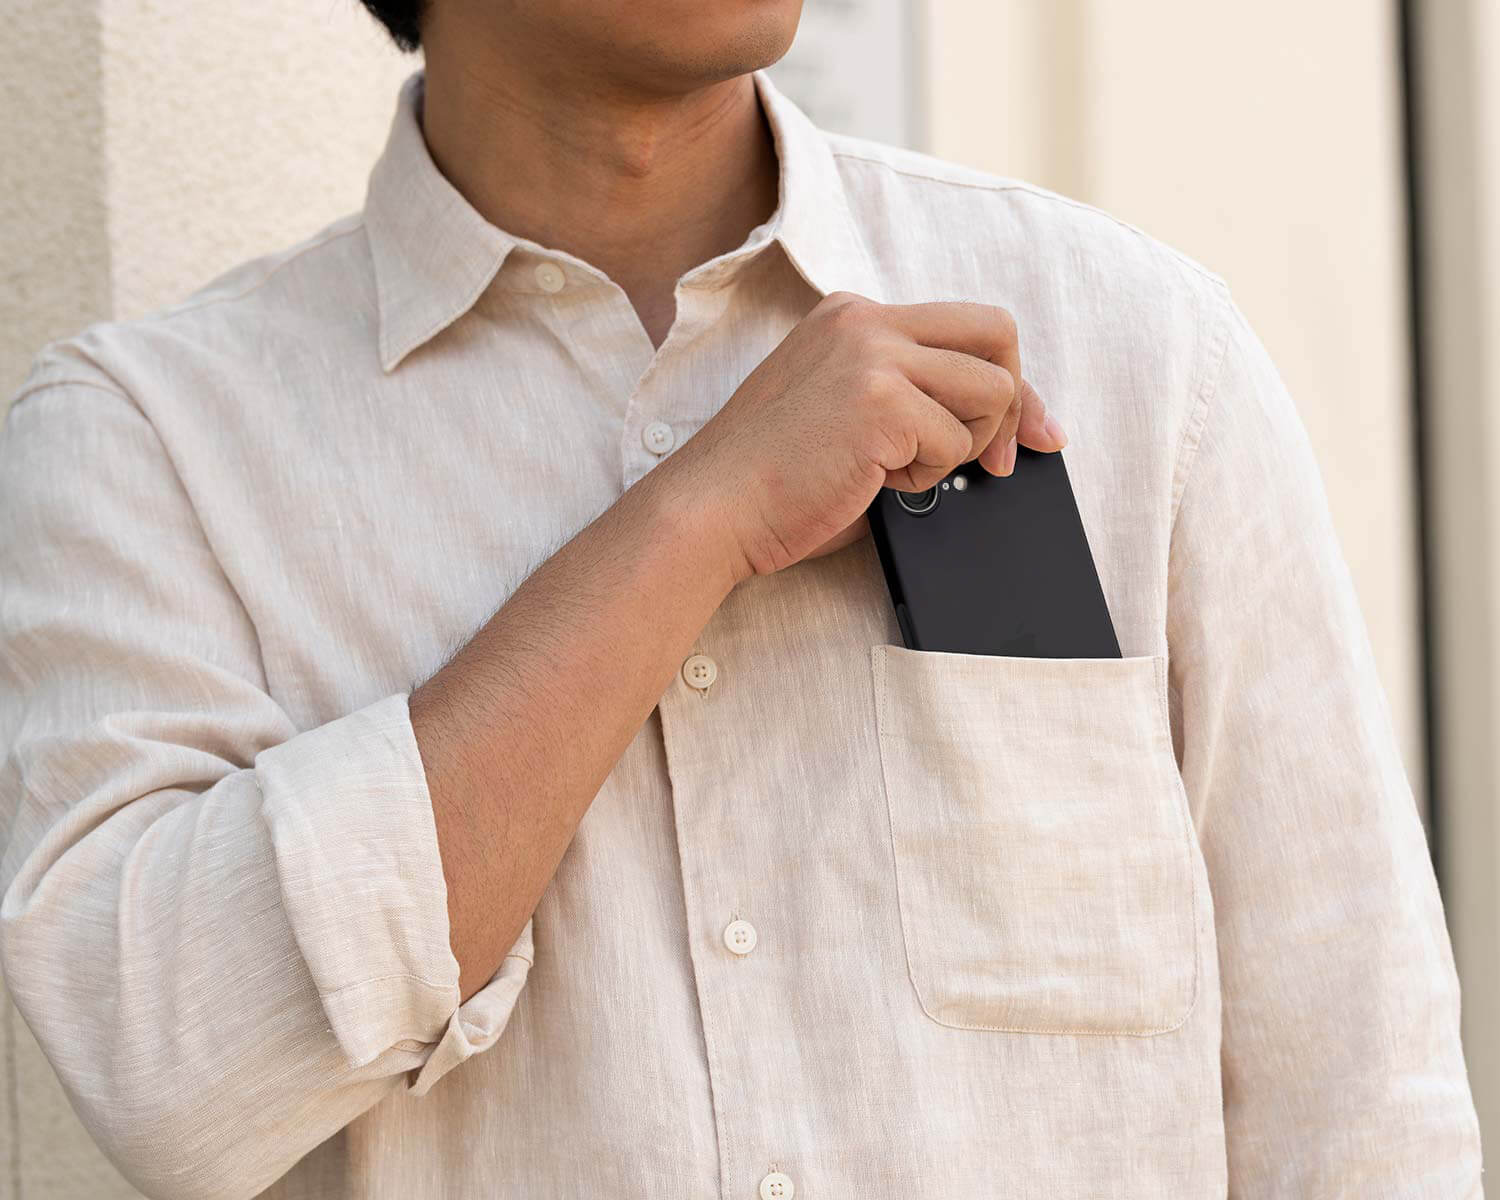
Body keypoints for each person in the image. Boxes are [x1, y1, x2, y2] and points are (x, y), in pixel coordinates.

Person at [0, 0, 1482, 1195]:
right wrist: (693, 522)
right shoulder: (150, 446)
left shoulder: (1139, 351)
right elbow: (173, 1082)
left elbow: (1360, 1101)